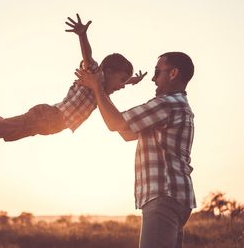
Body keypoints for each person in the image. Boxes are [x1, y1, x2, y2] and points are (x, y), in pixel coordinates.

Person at [0, 14, 146, 153]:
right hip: (48, 116)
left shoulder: (102, 91)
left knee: (4, 128)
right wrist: (82, 36)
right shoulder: (95, 75)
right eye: (121, 80)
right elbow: (88, 56)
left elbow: (121, 84)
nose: (121, 85)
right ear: (108, 72)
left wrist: (133, 81)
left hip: (49, 123)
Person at [75, 51, 196, 248]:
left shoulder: (166, 104)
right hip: (177, 196)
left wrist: (97, 87)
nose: (154, 79)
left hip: (163, 195)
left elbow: (115, 123)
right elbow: (126, 133)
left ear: (173, 73)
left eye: (158, 72)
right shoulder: (179, 106)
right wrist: (102, 90)